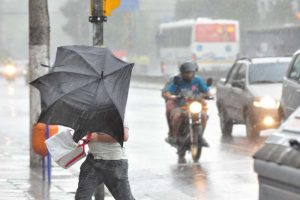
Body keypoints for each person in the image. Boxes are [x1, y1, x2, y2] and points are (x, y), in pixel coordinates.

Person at [162, 61, 212, 161]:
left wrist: (209, 95)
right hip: (181, 106)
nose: (189, 75)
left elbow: (207, 91)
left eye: (191, 72)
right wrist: (173, 97)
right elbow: (168, 93)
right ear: (182, 73)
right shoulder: (177, 80)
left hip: (195, 105)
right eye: (186, 73)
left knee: (203, 116)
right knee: (177, 116)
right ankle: (175, 137)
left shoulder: (198, 80)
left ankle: (200, 136)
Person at [75, 119, 135, 200]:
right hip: (92, 161)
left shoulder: (116, 112)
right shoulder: (89, 113)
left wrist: (97, 137)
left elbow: (124, 136)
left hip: (114, 163)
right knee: (81, 197)